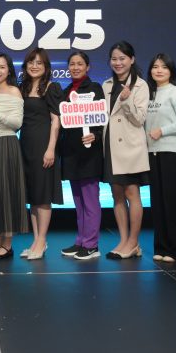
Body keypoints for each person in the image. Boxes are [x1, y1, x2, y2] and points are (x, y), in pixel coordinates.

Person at [102, 41, 150, 260]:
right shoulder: (106, 85)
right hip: (111, 147)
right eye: (114, 59)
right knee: (117, 195)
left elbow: (140, 119)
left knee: (132, 193)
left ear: (132, 59)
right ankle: (123, 240)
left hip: (130, 147)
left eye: (122, 58)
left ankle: (133, 242)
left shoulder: (141, 85)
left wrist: (127, 99)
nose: (118, 63)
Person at [144, 54, 176, 262]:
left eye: (164, 67)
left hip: (172, 153)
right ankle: (162, 246)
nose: (159, 70)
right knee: (158, 203)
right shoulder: (149, 93)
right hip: (152, 153)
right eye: (155, 67)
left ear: (171, 71)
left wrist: (162, 131)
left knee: (174, 203)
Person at [59, 50, 106, 260]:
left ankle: (91, 244)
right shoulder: (66, 91)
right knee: (78, 201)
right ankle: (81, 241)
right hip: (71, 153)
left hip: (89, 154)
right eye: (72, 64)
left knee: (90, 201)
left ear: (88, 67)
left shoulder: (94, 88)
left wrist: (95, 135)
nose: (75, 67)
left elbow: (102, 119)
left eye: (80, 64)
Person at [18, 48, 63, 260]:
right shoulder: (23, 88)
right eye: (31, 62)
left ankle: (42, 239)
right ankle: (36, 241)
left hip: (43, 147)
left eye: (39, 63)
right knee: (33, 196)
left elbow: (56, 121)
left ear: (46, 67)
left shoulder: (52, 88)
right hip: (25, 146)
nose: (34, 66)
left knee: (43, 196)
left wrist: (51, 149)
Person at [0, 52, 28, 260]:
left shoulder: (14, 91)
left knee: (7, 194)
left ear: (9, 70)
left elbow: (17, 123)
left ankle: (7, 245)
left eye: (2, 67)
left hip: (6, 144)